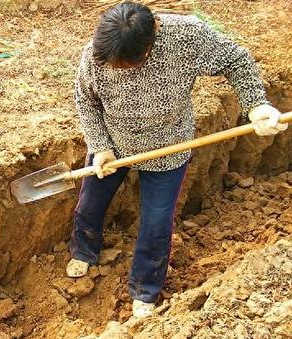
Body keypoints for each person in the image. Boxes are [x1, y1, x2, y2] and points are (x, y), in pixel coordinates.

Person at [68, 1, 287, 318]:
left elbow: (236, 60)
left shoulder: (187, 36)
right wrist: (100, 146)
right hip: (113, 145)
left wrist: (256, 105)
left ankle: (145, 288)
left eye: (128, 65)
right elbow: (86, 102)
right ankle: (84, 250)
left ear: (151, 41)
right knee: (90, 202)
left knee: (157, 223)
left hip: (167, 147)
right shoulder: (96, 54)